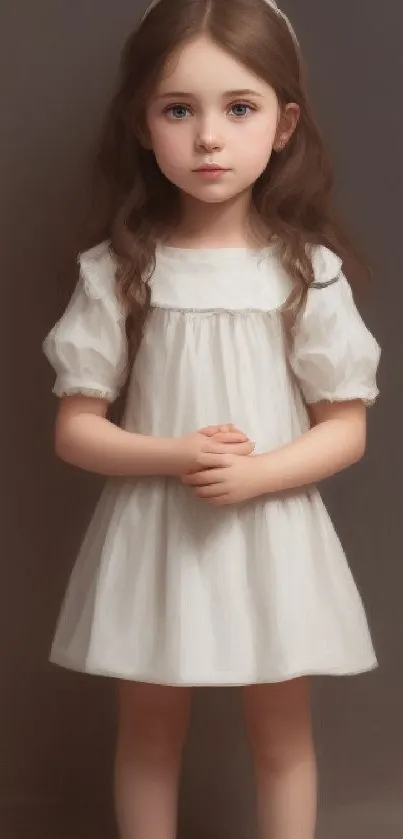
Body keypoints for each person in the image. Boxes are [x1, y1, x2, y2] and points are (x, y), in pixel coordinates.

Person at [43, 1, 381, 837]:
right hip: (158, 533)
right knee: (150, 735)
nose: (206, 138)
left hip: (269, 532)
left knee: (283, 739)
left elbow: (346, 425)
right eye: (177, 109)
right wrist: (175, 453)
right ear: (141, 123)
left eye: (239, 108)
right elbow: (76, 428)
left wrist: (259, 471)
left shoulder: (307, 271)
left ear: (282, 124)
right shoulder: (120, 270)